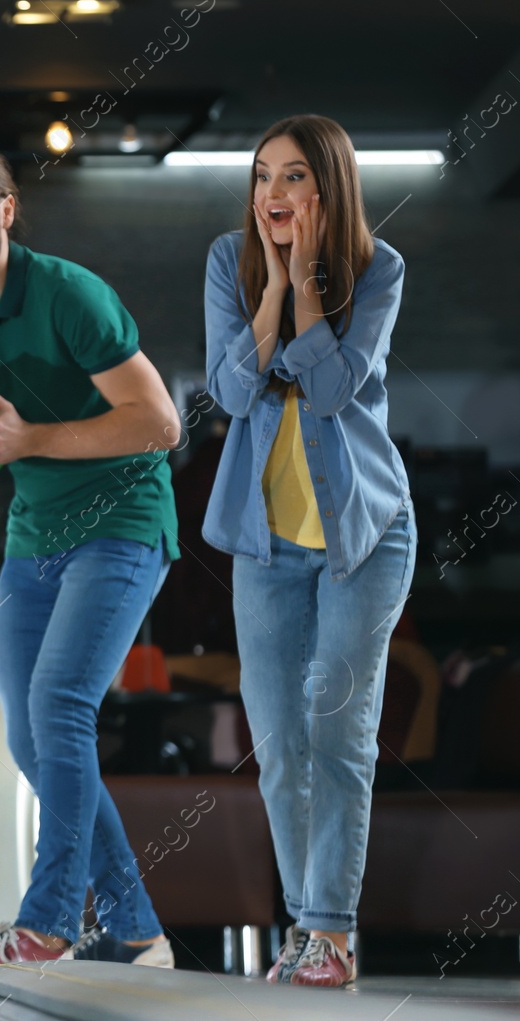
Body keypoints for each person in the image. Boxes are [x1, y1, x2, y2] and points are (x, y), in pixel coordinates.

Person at [0, 140, 182, 972]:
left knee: (60, 704)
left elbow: (159, 422)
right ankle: (134, 928)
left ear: (6, 210)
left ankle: (46, 919)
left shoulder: (70, 294)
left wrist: (34, 437)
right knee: (30, 738)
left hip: (123, 520)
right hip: (35, 536)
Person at [203, 115, 413, 990]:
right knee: (282, 740)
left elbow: (329, 389)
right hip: (265, 546)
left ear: (328, 189)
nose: (272, 194)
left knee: (335, 729)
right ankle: (307, 928)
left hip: (363, 540)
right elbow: (225, 390)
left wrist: (309, 291)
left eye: (292, 178)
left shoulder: (380, 269)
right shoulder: (228, 259)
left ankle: (330, 929)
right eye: (262, 177)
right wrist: (269, 294)